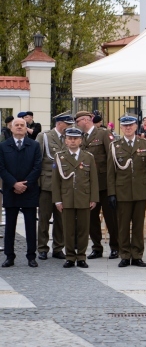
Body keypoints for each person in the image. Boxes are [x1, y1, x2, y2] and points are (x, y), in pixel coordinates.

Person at [107, 115, 146, 268]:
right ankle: (125, 254)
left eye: (131, 125)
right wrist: (112, 193)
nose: (128, 128)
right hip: (122, 192)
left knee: (138, 226)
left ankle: (137, 255)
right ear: (121, 128)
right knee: (122, 226)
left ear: (136, 127)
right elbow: (110, 172)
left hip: (140, 191)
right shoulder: (115, 146)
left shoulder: (145, 144)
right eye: (125, 126)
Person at [52, 127, 99, 269]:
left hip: (84, 197)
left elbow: (93, 180)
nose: (72, 141)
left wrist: (94, 198)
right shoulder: (59, 157)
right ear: (65, 141)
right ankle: (70, 257)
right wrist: (57, 200)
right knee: (68, 229)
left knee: (83, 229)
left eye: (75, 138)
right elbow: (56, 181)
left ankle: (82, 257)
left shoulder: (88, 157)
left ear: (80, 140)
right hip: (66, 198)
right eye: (70, 138)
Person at [75, 110, 118, 260]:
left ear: (86, 120)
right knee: (91, 219)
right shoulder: (80, 137)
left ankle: (115, 246)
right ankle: (97, 247)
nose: (77, 124)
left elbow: (112, 158)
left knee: (110, 217)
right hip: (87, 185)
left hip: (104, 184)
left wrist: (113, 186)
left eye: (78, 121)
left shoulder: (103, 134)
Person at [0, 117, 41, 268]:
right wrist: (14, 184)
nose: (19, 127)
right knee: (10, 226)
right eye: (16, 125)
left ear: (26, 128)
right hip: (11, 191)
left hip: (29, 191)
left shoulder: (34, 145)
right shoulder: (3, 146)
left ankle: (31, 256)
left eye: (22, 125)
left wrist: (25, 184)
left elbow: (37, 167)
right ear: (11, 128)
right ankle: (9, 256)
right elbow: (1, 168)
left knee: (31, 226)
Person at [35, 113, 75, 261]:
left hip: (64, 184)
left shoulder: (69, 137)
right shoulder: (44, 136)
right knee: (44, 218)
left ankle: (58, 247)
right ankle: (42, 248)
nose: (70, 127)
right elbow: (37, 160)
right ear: (59, 123)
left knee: (61, 219)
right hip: (47, 183)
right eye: (67, 124)